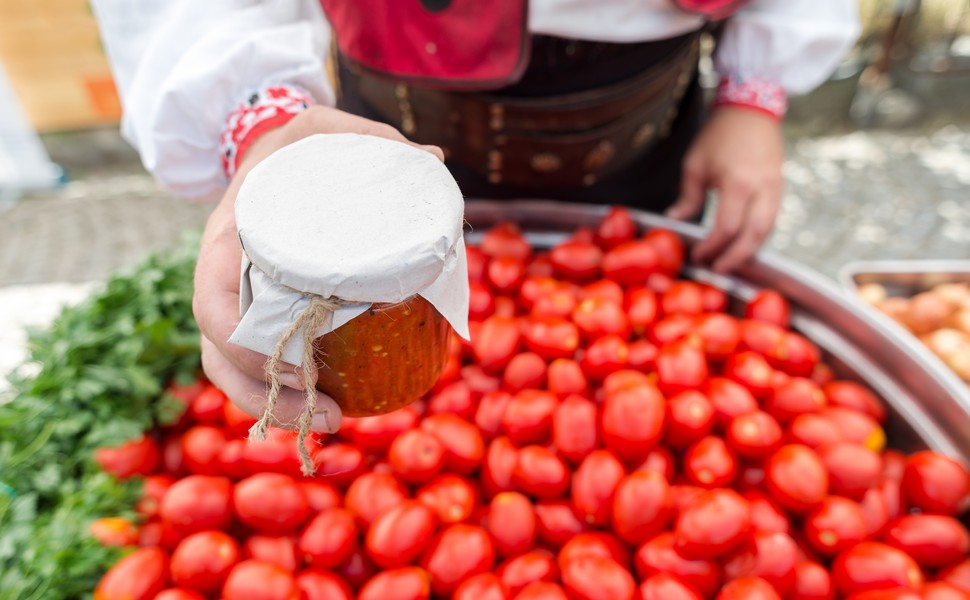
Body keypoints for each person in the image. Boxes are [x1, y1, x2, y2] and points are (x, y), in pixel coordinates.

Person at [91, 0, 859, 430]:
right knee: (372, 369)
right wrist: (256, 113)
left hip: (639, 116)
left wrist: (755, 90)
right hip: (385, 119)